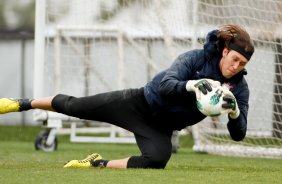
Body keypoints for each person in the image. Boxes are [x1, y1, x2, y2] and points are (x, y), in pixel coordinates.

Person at [0, 24, 254, 169]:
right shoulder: (195, 59)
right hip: (137, 103)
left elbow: (238, 134)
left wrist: (234, 113)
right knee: (76, 106)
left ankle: (97, 164)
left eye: (242, 64)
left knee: (156, 161)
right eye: (235, 60)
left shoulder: (239, 89)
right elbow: (167, 85)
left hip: (161, 128)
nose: (237, 67)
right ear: (224, 53)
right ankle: (21, 103)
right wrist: (193, 85)